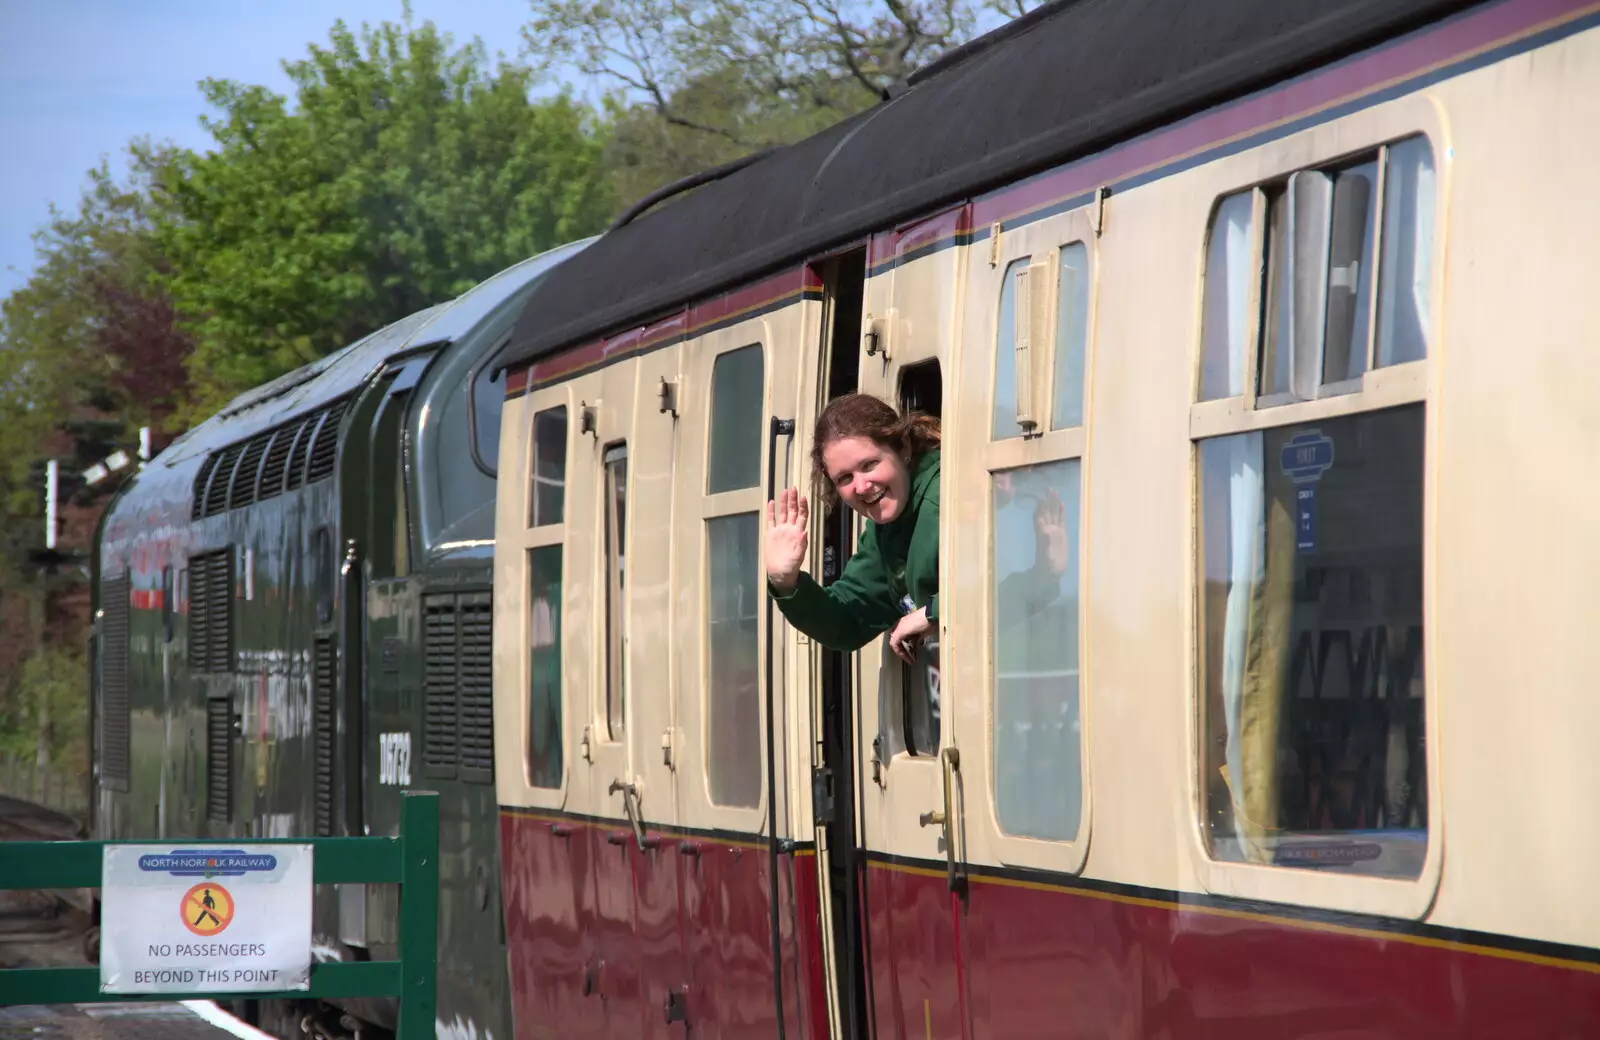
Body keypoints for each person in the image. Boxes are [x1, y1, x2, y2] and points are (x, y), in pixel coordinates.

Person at [765, 393, 940, 664]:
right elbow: (848, 620)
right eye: (845, 478)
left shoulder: (943, 496)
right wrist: (785, 582)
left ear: (903, 448)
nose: (861, 486)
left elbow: (1009, 580)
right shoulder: (886, 532)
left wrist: (933, 613)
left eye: (869, 465)